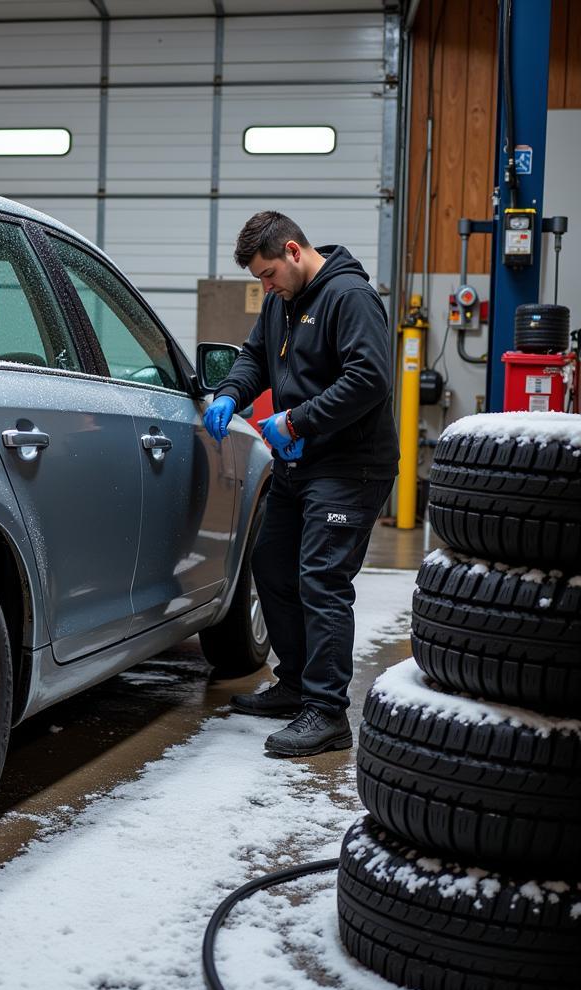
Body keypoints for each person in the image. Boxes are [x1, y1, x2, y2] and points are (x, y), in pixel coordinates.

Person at [203, 211, 399, 757]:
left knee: (321, 578)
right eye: (258, 279)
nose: (264, 286)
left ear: (293, 251)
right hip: (300, 463)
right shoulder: (280, 302)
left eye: (267, 274)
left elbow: (369, 380)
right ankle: (295, 685)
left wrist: (295, 421)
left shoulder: (349, 296)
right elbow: (255, 358)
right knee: (270, 564)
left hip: (350, 465)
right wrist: (229, 393)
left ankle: (328, 711)